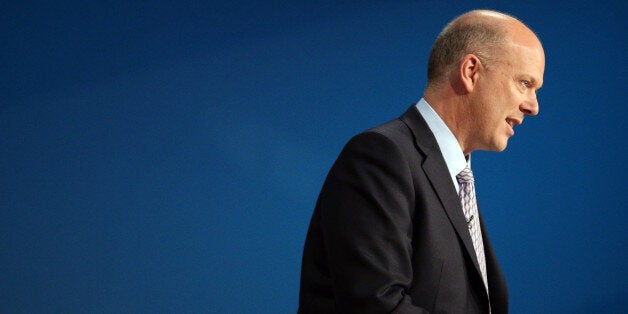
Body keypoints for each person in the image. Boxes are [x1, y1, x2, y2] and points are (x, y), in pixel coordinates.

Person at [298, 10, 544, 314]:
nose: (532, 106)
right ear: (470, 72)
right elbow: (376, 304)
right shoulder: (380, 157)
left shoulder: (456, 177)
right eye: (524, 82)